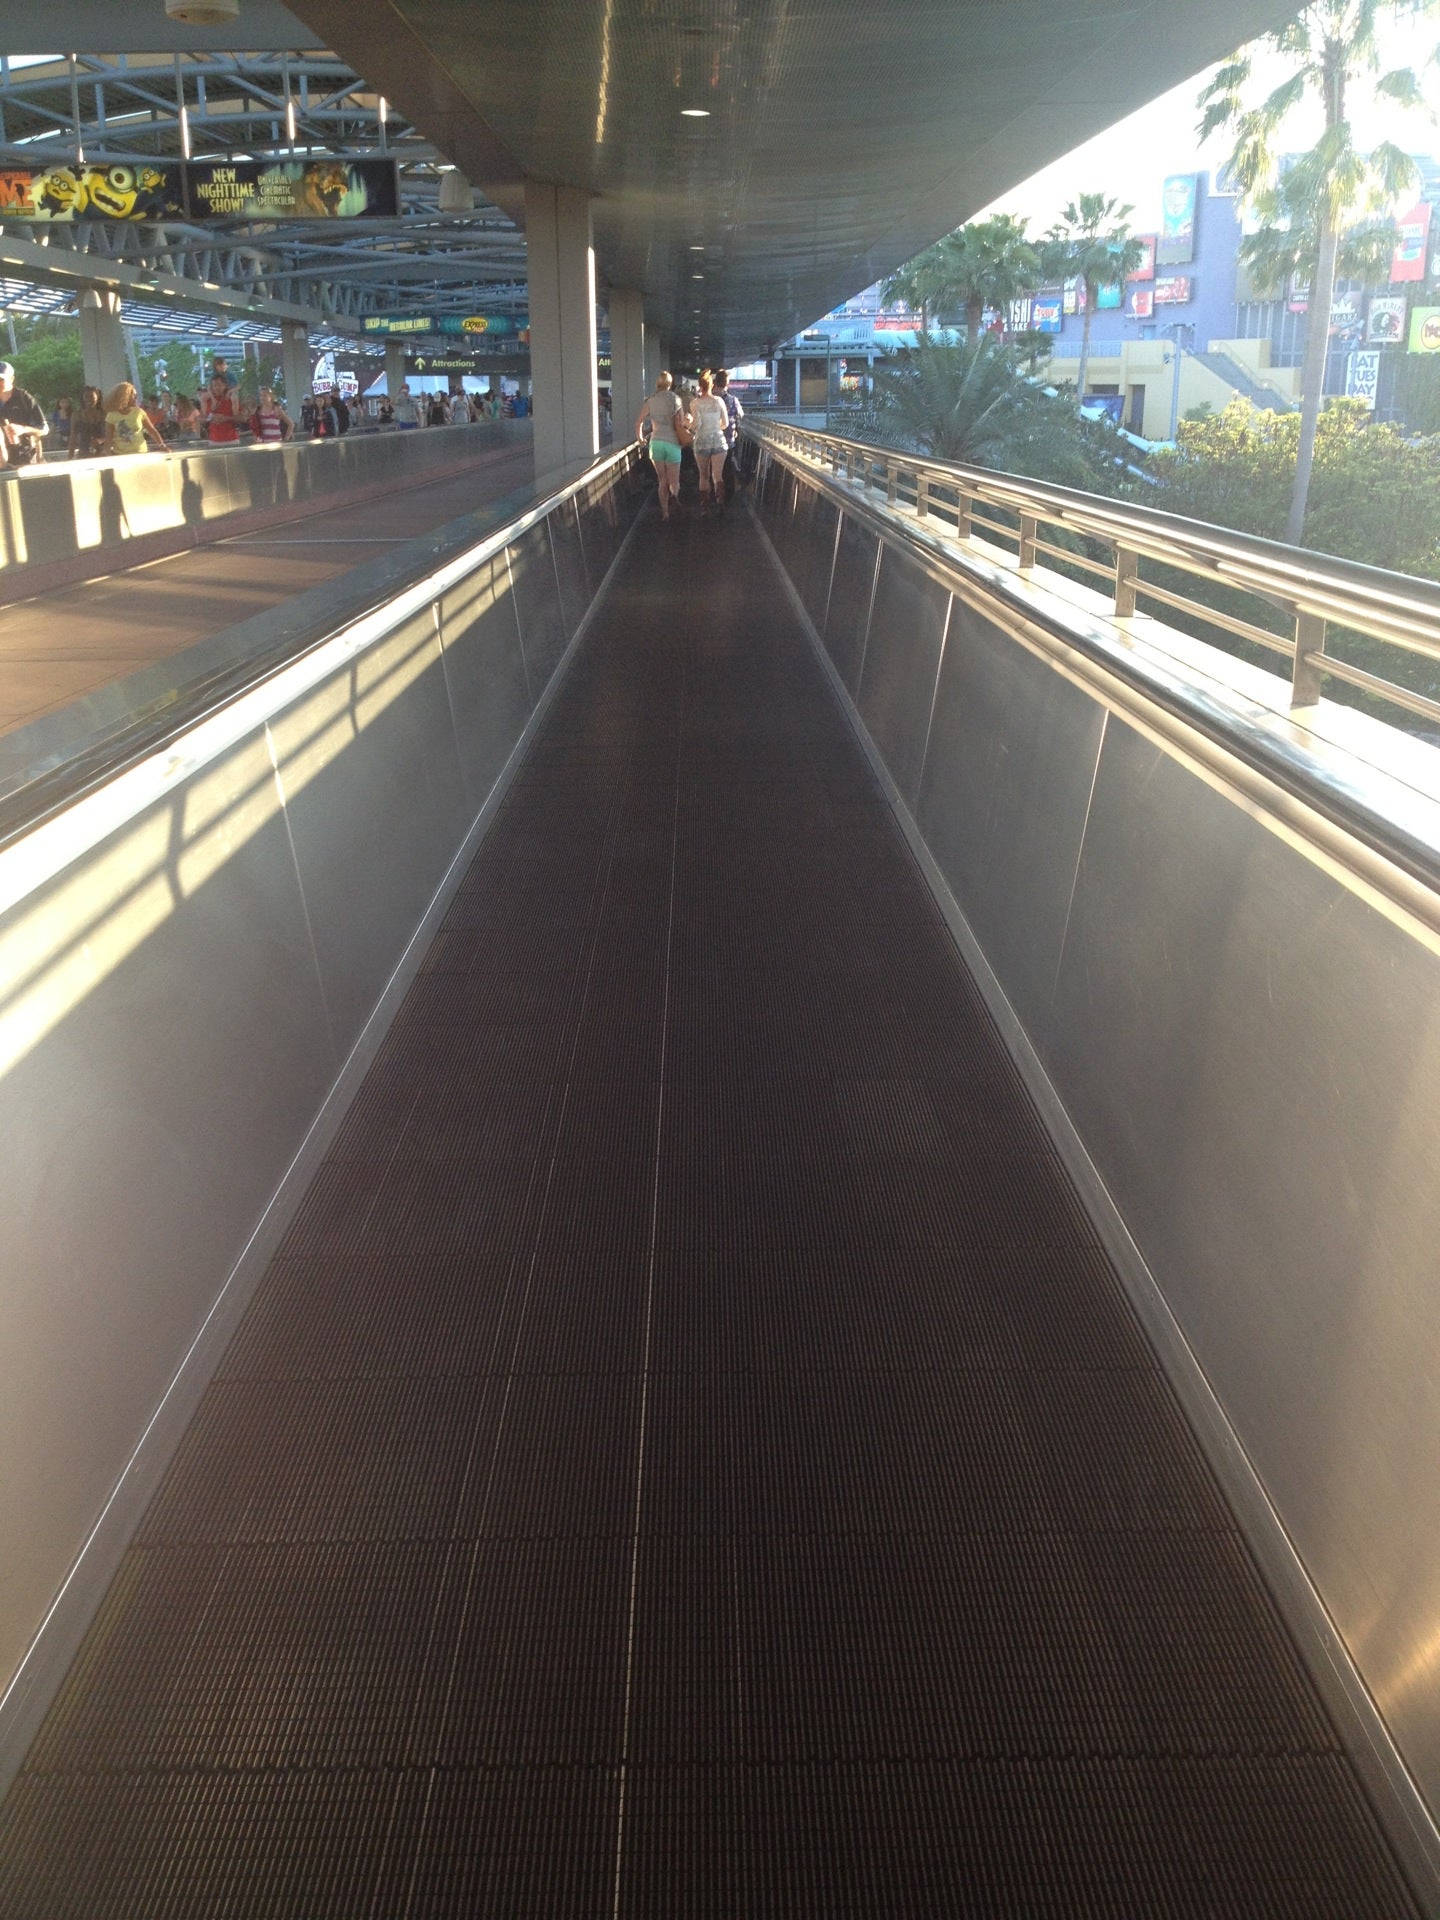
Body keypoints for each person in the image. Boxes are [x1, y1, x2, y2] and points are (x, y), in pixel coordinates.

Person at [636, 369, 688, 523]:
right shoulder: (676, 399)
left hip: (656, 443)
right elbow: (682, 423)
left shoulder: (650, 400)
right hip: (672, 443)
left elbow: (638, 422)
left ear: (657, 383)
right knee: (674, 480)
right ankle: (675, 496)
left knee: (662, 480)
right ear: (670, 384)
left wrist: (640, 440)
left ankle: (665, 513)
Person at [689, 370, 730, 516]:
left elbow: (695, 425)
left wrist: (687, 425)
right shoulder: (719, 401)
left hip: (701, 442)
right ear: (712, 385)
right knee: (717, 475)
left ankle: (705, 508)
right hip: (718, 441)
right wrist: (715, 425)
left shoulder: (694, 403)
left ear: (700, 386)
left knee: (703, 476)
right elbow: (725, 424)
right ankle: (720, 502)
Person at [0, 361, 48, 470]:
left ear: (12, 379)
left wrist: (23, 429)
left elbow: (44, 429)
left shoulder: (23, 398)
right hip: (2, 460)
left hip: (26, 458)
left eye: (1, 379)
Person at [102, 380, 167, 456]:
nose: (136, 397)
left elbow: (152, 430)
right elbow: (108, 438)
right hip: (121, 455)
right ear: (125, 396)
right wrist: (108, 453)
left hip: (141, 453)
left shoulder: (139, 412)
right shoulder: (111, 415)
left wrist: (162, 445)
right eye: (133, 395)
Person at [714, 367, 744, 500]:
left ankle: (713, 495)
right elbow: (740, 415)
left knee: (712, 471)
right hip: (728, 441)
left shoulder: (707, 399)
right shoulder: (732, 400)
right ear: (727, 383)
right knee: (727, 469)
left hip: (710, 440)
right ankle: (726, 497)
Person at [200, 371, 241, 445]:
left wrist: (225, 418)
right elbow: (203, 418)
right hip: (214, 439)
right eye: (214, 385)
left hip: (231, 439)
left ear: (224, 385)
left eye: (219, 385)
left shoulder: (231, 398)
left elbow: (240, 418)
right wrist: (211, 418)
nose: (216, 388)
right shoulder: (207, 400)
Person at [70, 384, 106, 459]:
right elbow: (73, 437)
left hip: (102, 453)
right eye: (86, 396)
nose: (88, 399)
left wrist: (101, 440)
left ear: (97, 398)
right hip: (83, 453)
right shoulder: (76, 415)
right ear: (82, 398)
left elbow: (111, 434)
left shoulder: (104, 415)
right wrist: (70, 457)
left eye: (92, 397)